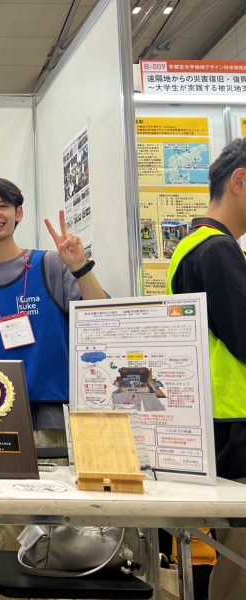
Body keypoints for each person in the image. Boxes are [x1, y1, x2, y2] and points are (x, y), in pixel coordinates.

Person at [0, 178, 106, 600]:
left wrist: (80, 267)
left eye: (3, 206)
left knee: (60, 528)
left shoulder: (50, 265)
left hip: (53, 417)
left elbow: (99, 315)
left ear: (18, 213)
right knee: (5, 530)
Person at [166, 138, 246, 600]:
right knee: (240, 564)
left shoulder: (191, 247)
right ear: (239, 181)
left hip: (220, 423)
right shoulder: (216, 250)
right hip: (235, 425)